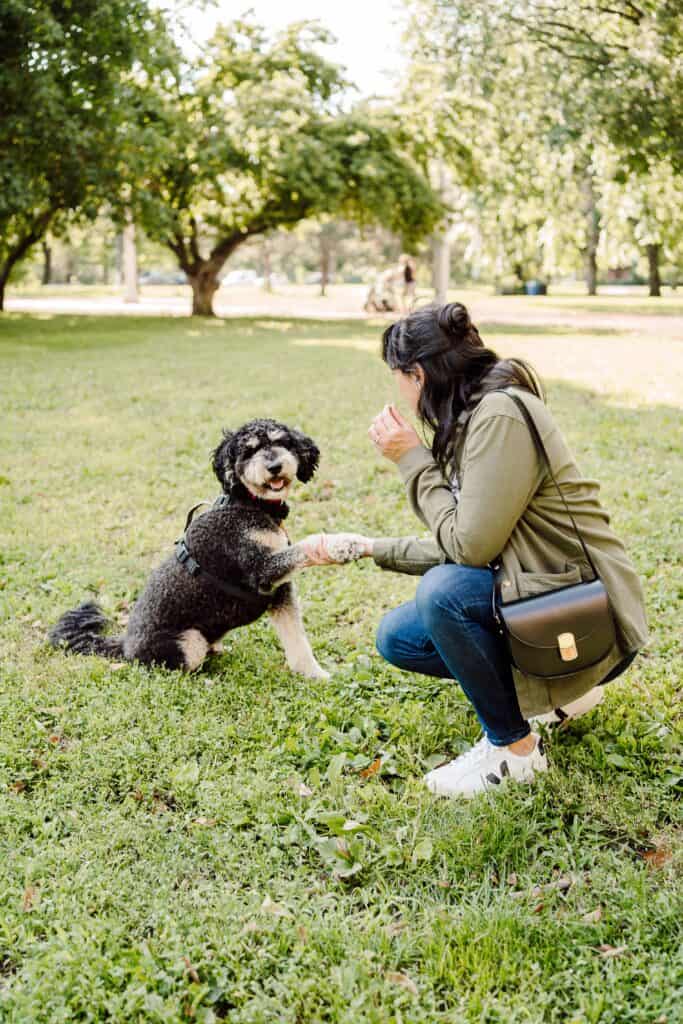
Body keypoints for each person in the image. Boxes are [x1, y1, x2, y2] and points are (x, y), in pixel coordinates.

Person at [301, 303, 648, 798]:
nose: (397, 390)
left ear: (418, 375)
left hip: (590, 613)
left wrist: (412, 461)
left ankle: (514, 750)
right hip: (549, 594)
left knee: (443, 594)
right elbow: (472, 540)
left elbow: (467, 547)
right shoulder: (476, 416)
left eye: (397, 377)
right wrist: (367, 548)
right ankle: (552, 695)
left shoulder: (499, 416)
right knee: (400, 636)